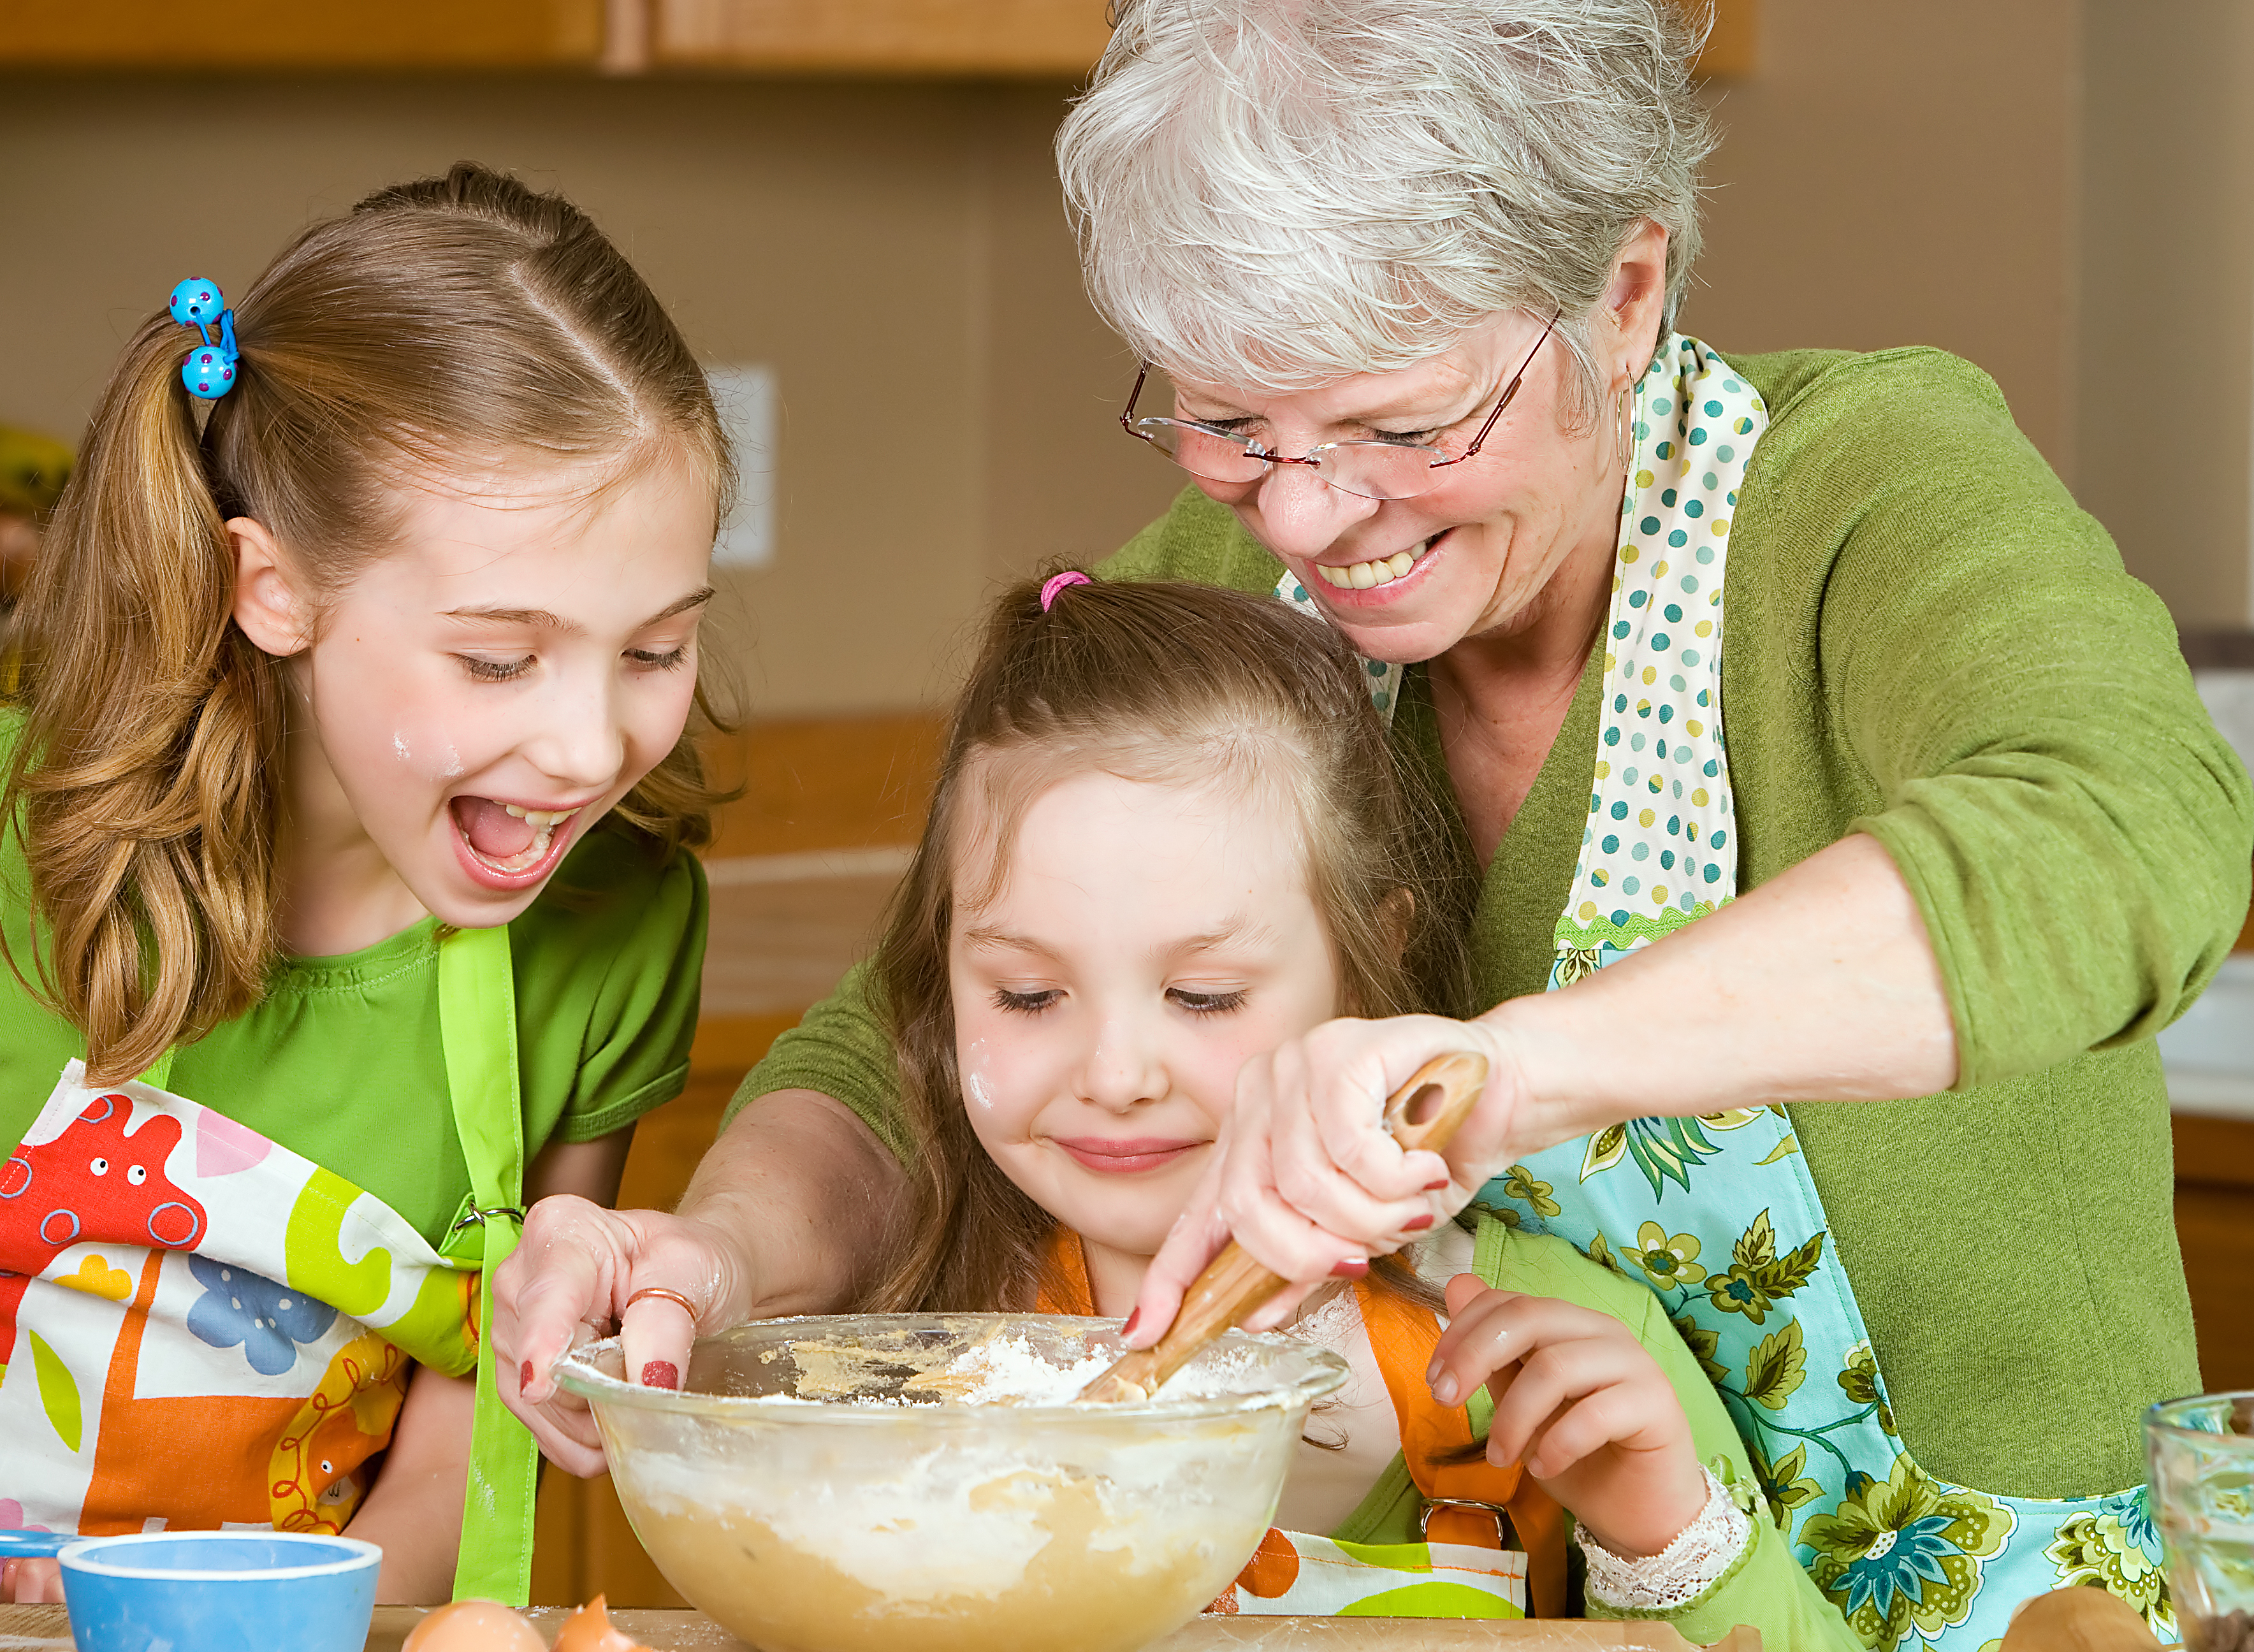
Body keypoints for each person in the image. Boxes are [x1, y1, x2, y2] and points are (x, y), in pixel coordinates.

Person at [497, 5, 2253, 1649]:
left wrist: (1513, 1071)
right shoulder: (1232, 595)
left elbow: (2128, 839)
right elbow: (904, 1050)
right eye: (1230, 420)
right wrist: (715, 1256)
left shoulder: (1865, 501)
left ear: (1624, 294)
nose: (1319, 516)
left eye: (1405, 423)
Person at [0, 163, 725, 1648]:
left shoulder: (615, 930)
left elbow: (449, 1456)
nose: (593, 746)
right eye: (499, 659)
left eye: (656, 650)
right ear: (269, 589)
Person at [885, 572, 1864, 1642]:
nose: (1117, 1076)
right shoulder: (908, 1360)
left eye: (1204, 996)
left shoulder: (1552, 1350)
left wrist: (1664, 1535)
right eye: (1028, 995)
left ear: (1365, 969)